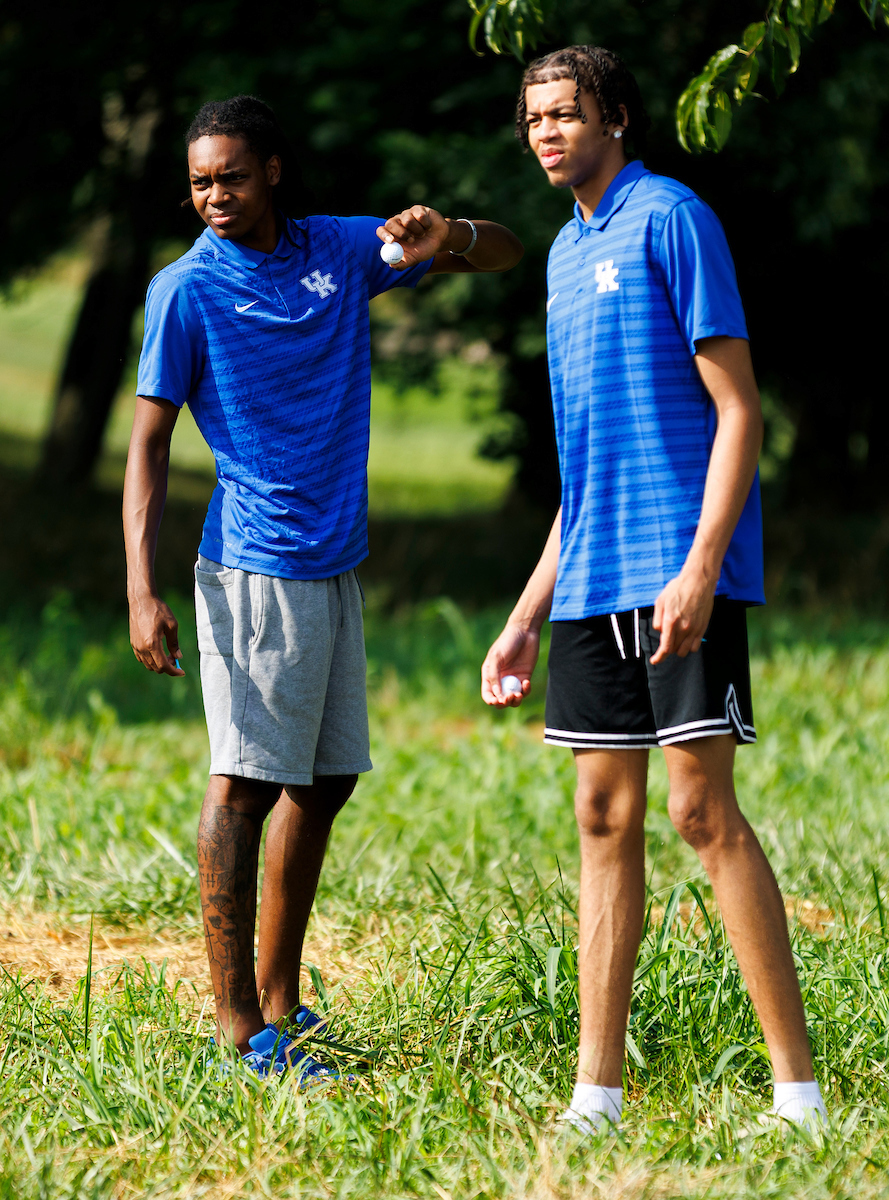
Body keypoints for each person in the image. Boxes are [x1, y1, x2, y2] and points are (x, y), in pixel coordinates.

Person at [124, 95, 523, 1084]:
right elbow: (146, 446)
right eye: (200, 181)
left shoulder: (341, 250)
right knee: (245, 783)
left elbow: (506, 252)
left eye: (231, 176)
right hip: (254, 564)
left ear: (273, 171)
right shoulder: (186, 291)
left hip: (333, 561)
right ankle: (237, 1033)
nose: (214, 195)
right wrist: (139, 586)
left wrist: (449, 234)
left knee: (326, 780)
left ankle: (281, 1000)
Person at [480, 46, 826, 1132]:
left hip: (678, 571)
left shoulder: (673, 218)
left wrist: (702, 568)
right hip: (591, 581)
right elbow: (584, 473)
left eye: (566, 113)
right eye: (534, 117)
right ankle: (597, 1097)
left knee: (700, 812)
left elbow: (740, 411)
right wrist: (526, 615)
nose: (546, 132)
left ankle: (800, 1097)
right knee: (601, 814)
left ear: (616, 118)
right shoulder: (560, 256)